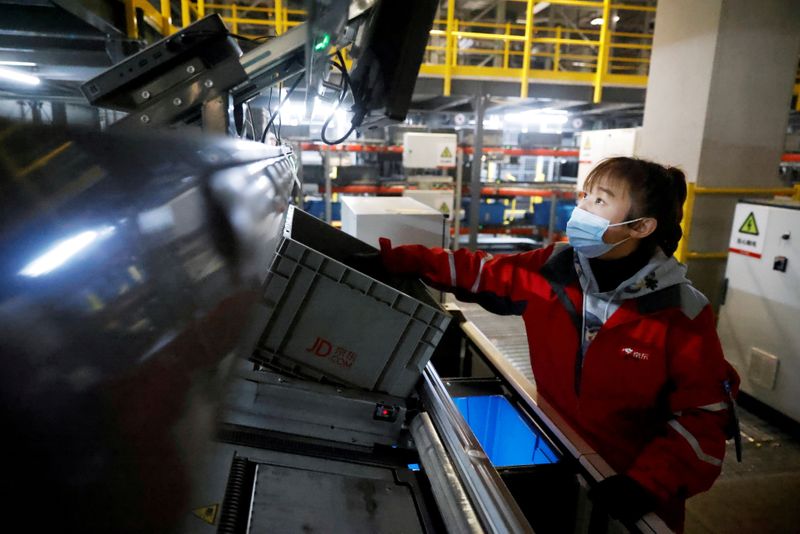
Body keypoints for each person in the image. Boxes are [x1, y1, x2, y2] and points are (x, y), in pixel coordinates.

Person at [376, 157, 739, 532]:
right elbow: (485, 274)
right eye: (585, 196)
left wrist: (646, 484)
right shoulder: (555, 268)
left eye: (600, 201)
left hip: (632, 497)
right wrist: (404, 259)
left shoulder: (680, 313)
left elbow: (703, 420)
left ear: (642, 226)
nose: (582, 208)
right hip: (561, 451)